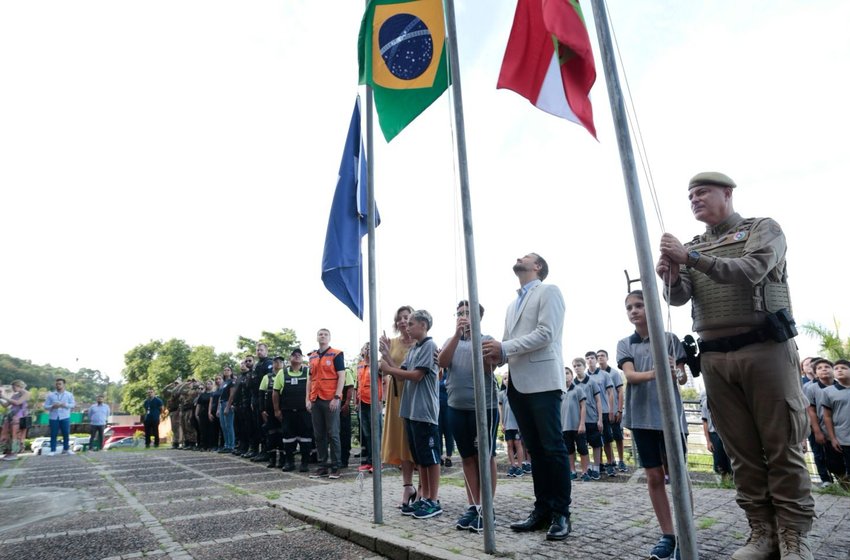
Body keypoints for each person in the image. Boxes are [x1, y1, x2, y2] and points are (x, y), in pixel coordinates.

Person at [657, 171, 815, 559]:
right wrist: (672, 275)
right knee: (741, 452)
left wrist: (690, 258)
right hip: (714, 356)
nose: (694, 199)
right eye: (690, 195)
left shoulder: (762, 229)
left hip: (764, 349)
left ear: (727, 193)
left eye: (702, 192)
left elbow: (751, 271)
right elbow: (678, 299)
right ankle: (761, 533)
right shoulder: (693, 245)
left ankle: (794, 537)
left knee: (782, 447)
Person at [482, 253, 571, 541]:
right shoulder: (511, 305)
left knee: (552, 447)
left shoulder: (549, 291)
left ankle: (561, 512)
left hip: (543, 381)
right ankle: (542, 508)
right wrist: (492, 356)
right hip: (517, 385)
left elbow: (546, 333)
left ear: (538, 267)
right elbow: (507, 347)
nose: (518, 257)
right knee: (535, 449)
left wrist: (504, 347)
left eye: (526, 256)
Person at [617, 289, 689, 560]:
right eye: (629, 307)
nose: (634, 311)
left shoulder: (670, 339)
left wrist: (676, 371)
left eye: (639, 305)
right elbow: (631, 376)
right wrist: (660, 370)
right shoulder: (625, 344)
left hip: (671, 419)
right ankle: (668, 534)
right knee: (654, 476)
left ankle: (685, 532)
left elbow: (682, 378)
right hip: (641, 418)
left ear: (651, 308)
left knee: (678, 476)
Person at [438, 300, 499, 532]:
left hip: (484, 408)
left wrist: (472, 336)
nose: (463, 316)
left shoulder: (487, 340)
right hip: (456, 407)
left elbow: (487, 367)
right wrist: (457, 334)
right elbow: (442, 363)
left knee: (486, 456)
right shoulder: (449, 341)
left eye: (468, 313)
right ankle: (473, 505)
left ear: (479, 317)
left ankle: (487, 507)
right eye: (460, 313)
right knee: (467, 458)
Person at [381, 309, 442, 520]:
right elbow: (401, 370)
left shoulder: (429, 346)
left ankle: (433, 499)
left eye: (412, 323)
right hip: (411, 411)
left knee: (431, 457)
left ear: (423, 325)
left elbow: (415, 376)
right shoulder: (415, 348)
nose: (407, 326)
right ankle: (424, 497)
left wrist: (389, 370)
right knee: (420, 458)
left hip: (424, 410)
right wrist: (385, 358)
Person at [380, 305, 417, 507]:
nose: (403, 321)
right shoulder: (392, 343)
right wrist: (385, 354)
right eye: (399, 318)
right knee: (401, 443)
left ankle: (426, 490)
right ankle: (407, 486)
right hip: (395, 398)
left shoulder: (421, 344)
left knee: (415, 443)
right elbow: (383, 369)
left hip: (415, 397)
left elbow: (411, 374)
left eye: (407, 317)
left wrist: (388, 363)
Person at [307, 328, 346, 479]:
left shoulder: (336, 354)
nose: (322, 336)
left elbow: (341, 376)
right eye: (320, 334)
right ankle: (322, 465)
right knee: (318, 435)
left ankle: (336, 466)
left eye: (325, 334)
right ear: (317, 337)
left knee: (333, 433)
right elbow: (310, 380)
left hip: (330, 399)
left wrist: (337, 397)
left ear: (329, 338)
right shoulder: (312, 356)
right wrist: (308, 399)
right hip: (315, 399)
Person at [804, 358, 843, 487]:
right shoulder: (810, 388)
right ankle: (830, 482)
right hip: (824, 430)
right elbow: (811, 411)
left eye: (827, 367)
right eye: (819, 368)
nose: (824, 369)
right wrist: (817, 431)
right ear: (815, 373)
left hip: (843, 429)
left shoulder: (842, 385)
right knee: (828, 458)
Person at [273, 347, 312, 472]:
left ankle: (304, 463)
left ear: (302, 359)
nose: (297, 356)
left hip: (304, 412)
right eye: (294, 355)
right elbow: (275, 392)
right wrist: (276, 410)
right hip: (287, 412)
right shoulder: (282, 373)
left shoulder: (308, 371)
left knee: (306, 438)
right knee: (288, 438)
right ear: (290, 358)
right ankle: (289, 462)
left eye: (299, 355)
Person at [585, 351, 617, 477]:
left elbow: (610, 393)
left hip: (604, 411)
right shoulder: (584, 377)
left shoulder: (604, 375)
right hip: (591, 415)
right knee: (594, 440)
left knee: (608, 439)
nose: (590, 360)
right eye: (587, 358)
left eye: (592, 358)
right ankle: (599, 464)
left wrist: (611, 410)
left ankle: (610, 463)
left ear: (596, 360)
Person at [598, 349, 628, 472]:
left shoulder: (614, 373)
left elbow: (620, 392)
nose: (600, 358)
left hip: (614, 410)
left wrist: (619, 410)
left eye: (603, 355)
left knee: (618, 436)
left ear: (607, 358)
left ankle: (621, 460)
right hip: (602, 412)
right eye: (598, 356)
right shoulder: (595, 374)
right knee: (605, 438)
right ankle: (610, 461)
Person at [572, 357, 603, 481]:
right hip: (579, 421)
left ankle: (596, 467)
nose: (576, 368)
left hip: (592, 418)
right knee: (582, 446)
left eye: (579, 365)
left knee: (595, 444)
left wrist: (600, 419)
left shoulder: (591, 382)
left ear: (584, 366)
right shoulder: (572, 384)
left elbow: (598, 401)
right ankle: (588, 467)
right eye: (574, 366)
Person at [822, 359, 850, 489]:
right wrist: (832, 438)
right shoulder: (828, 392)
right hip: (843, 437)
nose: (839, 370)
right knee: (842, 466)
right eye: (837, 368)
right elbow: (827, 416)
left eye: (843, 368)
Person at [355, 342, 382, 473]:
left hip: (374, 403)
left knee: (376, 433)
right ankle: (370, 460)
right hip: (362, 403)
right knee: (367, 434)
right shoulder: (359, 366)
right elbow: (357, 384)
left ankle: (377, 462)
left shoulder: (379, 365)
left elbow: (386, 382)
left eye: (371, 348)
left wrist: (382, 401)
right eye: (366, 348)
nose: (368, 350)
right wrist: (356, 402)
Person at [561, 367, 588, 481]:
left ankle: (585, 472)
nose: (565, 375)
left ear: (571, 375)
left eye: (567, 373)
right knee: (569, 450)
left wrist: (582, 424)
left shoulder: (578, 390)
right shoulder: (560, 391)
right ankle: (572, 471)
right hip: (565, 427)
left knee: (582, 449)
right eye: (563, 374)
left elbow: (583, 407)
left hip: (578, 426)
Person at [499, 373, 526, 478]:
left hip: (516, 424)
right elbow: (500, 410)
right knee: (509, 445)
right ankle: (513, 466)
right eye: (504, 378)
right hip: (507, 424)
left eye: (508, 378)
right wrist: (502, 423)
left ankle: (520, 466)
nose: (506, 380)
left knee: (518, 444)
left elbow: (521, 410)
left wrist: (521, 423)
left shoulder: (518, 393)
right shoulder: (501, 394)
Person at [701, 392, 732, 483]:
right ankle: (723, 484)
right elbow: (704, 422)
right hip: (714, 434)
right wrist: (708, 441)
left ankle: (733, 483)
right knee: (719, 461)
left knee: (732, 460)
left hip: (728, 433)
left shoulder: (726, 399)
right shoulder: (705, 403)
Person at [259, 356, 284, 468]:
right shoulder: (267, 377)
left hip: (283, 410)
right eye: (276, 362)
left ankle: (283, 460)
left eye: (280, 362)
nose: (278, 364)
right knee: (271, 435)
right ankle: (272, 459)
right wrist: (262, 410)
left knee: (283, 434)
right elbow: (260, 394)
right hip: (269, 411)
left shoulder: (286, 375)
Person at [44, 378, 76, 455]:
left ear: (64, 385)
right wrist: (52, 406)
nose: (58, 385)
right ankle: (52, 450)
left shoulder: (69, 394)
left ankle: (66, 449)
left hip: (65, 416)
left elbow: (73, 405)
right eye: (57, 384)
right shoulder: (51, 395)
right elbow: (45, 406)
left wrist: (65, 405)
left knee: (66, 433)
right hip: (54, 417)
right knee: (53, 434)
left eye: (60, 384)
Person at [0, 380, 30, 461]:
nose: (13, 389)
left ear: (18, 386)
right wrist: (1, 398)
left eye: (14, 387)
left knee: (15, 434)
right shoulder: (14, 395)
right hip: (12, 416)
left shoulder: (26, 393)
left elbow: (18, 403)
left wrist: (4, 397)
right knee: (8, 434)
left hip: (19, 417)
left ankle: (14, 453)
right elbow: (6, 405)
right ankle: (8, 452)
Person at [437, 366, 455, 468]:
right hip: (437, 407)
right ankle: (439, 456)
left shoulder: (450, 373)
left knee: (449, 432)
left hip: (448, 406)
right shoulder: (437, 373)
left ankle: (449, 457)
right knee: (438, 432)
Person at [217, 366, 236, 453]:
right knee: (223, 426)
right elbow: (220, 396)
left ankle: (231, 445)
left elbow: (232, 395)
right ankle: (226, 444)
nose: (226, 371)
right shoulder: (222, 383)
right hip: (221, 403)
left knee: (229, 425)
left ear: (231, 372)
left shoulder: (232, 382)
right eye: (225, 370)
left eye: (228, 370)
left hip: (227, 403)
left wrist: (228, 407)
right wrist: (218, 409)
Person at [194, 380, 216, 451]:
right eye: (207, 384)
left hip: (211, 413)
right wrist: (196, 414)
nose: (208, 385)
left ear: (212, 385)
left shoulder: (213, 394)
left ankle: (211, 446)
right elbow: (198, 405)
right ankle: (203, 446)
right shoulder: (202, 395)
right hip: (203, 413)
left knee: (211, 430)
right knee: (203, 430)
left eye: (210, 384)